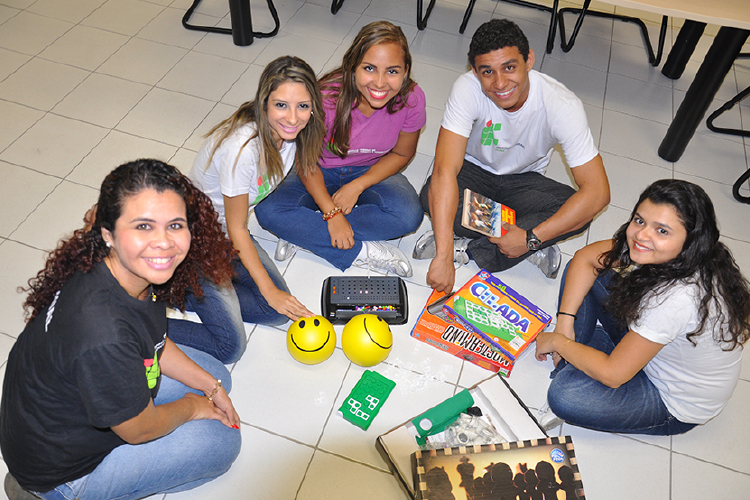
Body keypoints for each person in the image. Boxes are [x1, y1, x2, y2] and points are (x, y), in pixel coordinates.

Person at [0, 159, 242, 500]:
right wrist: (191, 406)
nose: (164, 243)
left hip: (47, 420)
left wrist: (209, 388)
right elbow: (139, 429)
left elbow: (152, 338)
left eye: (175, 225)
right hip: (60, 472)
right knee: (222, 443)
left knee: (217, 375)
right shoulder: (101, 334)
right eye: (143, 227)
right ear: (109, 234)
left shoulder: (127, 271)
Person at [535, 179, 750, 435]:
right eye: (640, 220)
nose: (641, 236)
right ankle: (576, 356)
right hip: (657, 350)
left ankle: (577, 358)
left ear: (691, 240)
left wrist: (558, 343)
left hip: (670, 400)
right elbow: (585, 259)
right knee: (591, 271)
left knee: (565, 396)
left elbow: (613, 375)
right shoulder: (687, 253)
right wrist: (564, 323)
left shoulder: (675, 300)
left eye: (662, 231)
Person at [414, 18, 610, 291]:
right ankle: (501, 244)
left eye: (509, 67)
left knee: (577, 210)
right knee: (432, 194)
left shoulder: (562, 105)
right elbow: (445, 170)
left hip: (523, 180)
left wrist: (531, 237)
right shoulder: (466, 88)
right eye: (487, 72)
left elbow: (598, 193)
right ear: (475, 72)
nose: (500, 83)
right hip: (473, 173)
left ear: (528, 60)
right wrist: (443, 256)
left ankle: (475, 249)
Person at [170, 56, 326, 364]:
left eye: (303, 106)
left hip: (226, 236)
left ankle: (205, 291)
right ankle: (147, 318)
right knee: (229, 345)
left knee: (275, 311)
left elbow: (235, 229)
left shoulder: (294, 136)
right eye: (281, 105)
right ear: (264, 103)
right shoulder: (242, 148)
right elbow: (239, 228)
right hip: (194, 242)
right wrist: (268, 289)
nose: (293, 118)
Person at [255, 21, 426, 278]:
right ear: (352, 67)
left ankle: (302, 231)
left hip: (371, 170)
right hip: (316, 169)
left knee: (409, 215)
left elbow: (402, 154)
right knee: (266, 208)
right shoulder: (325, 98)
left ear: (406, 71)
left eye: (392, 71)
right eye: (369, 68)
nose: (380, 83)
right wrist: (332, 214)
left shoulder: (412, 98)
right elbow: (306, 162)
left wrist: (358, 186)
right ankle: (358, 251)